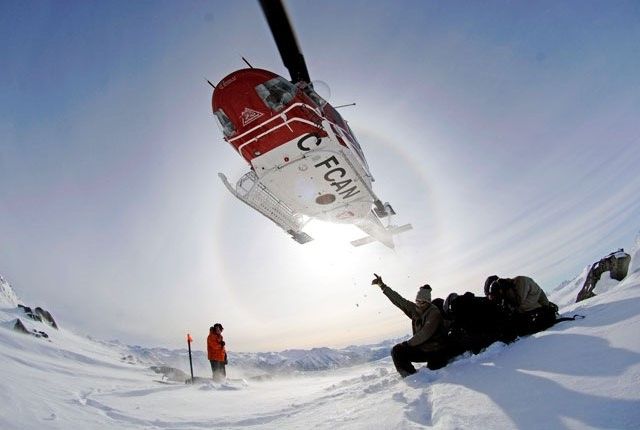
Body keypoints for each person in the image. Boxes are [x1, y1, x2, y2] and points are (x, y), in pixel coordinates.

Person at [372, 273, 451, 377]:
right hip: (423, 349)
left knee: (434, 368)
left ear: (428, 302)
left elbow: (424, 334)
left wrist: (407, 344)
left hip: (437, 350)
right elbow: (399, 300)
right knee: (397, 350)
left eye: (422, 302)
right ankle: (410, 376)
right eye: (417, 301)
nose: (419, 304)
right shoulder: (415, 309)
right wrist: (382, 286)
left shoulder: (434, 312)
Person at [484, 275, 556, 335]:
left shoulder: (519, 281)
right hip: (532, 304)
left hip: (541, 303)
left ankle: (548, 311)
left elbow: (518, 302)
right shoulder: (508, 289)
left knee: (518, 311)